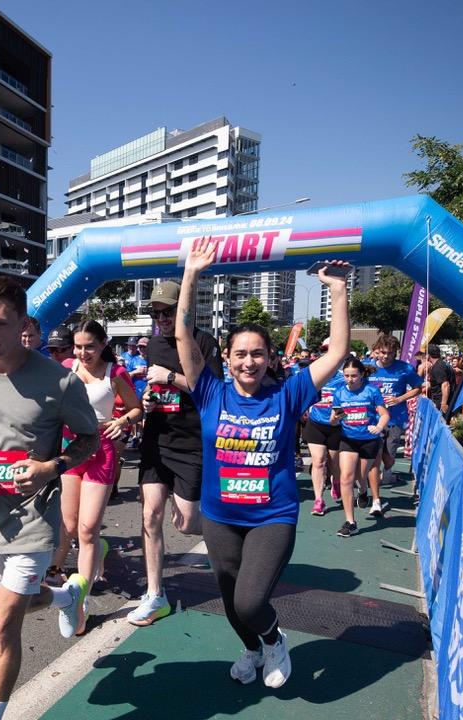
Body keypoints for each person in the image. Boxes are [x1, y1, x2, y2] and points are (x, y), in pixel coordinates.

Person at [172, 237, 352, 688]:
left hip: (272, 516)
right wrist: (191, 274)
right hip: (220, 518)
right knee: (231, 603)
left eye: (257, 353)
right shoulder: (211, 392)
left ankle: (273, 640)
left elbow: (336, 354)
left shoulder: (288, 394)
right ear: (227, 360)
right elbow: (183, 336)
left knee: (252, 603)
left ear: (270, 358)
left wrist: (337, 290)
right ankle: (253, 649)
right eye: (240, 354)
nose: (248, 361)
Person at [0, 277, 99, 720]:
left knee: (3, 623)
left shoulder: (60, 381)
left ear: (24, 322)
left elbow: (89, 440)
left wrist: (51, 467)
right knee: (18, 602)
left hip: (34, 517)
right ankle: (67, 597)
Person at [129, 280, 222, 627]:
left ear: (184, 311)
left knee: (185, 524)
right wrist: (148, 400)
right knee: (150, 515)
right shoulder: (153, 344)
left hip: (191, 444)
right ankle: (156, 596)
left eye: (168, 312)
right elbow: (153, 391)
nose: (162, 319)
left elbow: (211, 392)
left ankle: (226, 534)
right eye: (156, 313)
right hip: (157, 440)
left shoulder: (204, 343)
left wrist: (171, 376)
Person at [51, 320, 143, 634]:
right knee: (71, 525)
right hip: (70, 447)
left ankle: (80, 600)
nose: (83, 352)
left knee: (88, 529)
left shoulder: (115, 374)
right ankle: (97, 553)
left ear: (103, 344)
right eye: (78, 346)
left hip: (101, 449)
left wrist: (123, 421)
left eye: (90, 346)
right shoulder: (66, 367)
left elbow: (136, 408)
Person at [332, 357, 390, 537]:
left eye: (353, 376)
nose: (349, 379)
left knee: (360, 476)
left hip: (368, 439)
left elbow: (384, 414)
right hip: (348, 439)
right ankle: (351, 522)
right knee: (346, 478)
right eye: (346, 376)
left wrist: (379, 427)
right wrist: (334, 419)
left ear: (362, 374)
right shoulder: (339, 393)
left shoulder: (371, 391)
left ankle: (363, 491)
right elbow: (335, 418)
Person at [367, 335, 422, 488]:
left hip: (395, 417)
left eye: (390, 353)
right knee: (373, 450)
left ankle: (388, 471)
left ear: (396, 352)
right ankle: (373, 475)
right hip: (372, 417)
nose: (386, 356)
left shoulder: (405, 368)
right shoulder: (368, 368)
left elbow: (418, 388)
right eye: (383, 352)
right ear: (377, 351)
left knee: (389, 452)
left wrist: (399, 399)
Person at [302, 366, 345, 515]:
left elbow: (349, 402)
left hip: (336, 426)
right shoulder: (314, 377)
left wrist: (339, 415)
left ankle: (336, 481)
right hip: (315, 424)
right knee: (319, 460)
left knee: (334, 463)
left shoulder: (342, 378)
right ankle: (319, 500)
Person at [424, 345, 454, 421]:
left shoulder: (438, 367)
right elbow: (437, 383)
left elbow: (445, 385)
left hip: (441, 401)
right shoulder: (443, 364)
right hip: (442, 399)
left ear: (428, 355)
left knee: (440, 424)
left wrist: (443, 404)